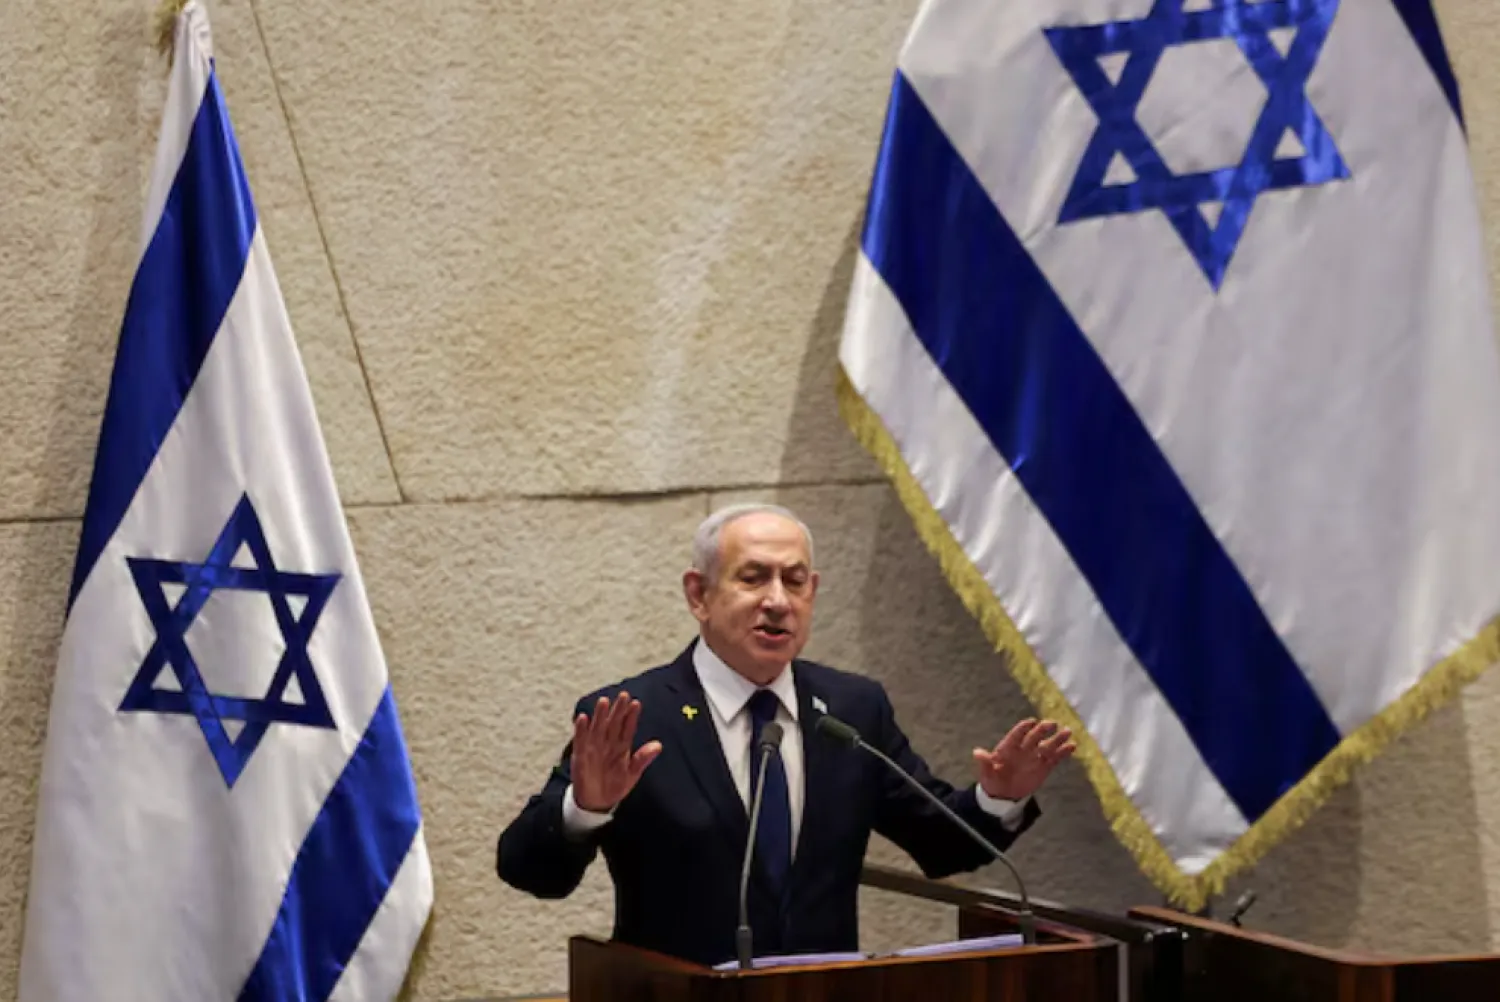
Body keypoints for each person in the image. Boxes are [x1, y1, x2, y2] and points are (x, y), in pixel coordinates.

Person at [496, 503, 1076, 967]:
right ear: (698, 595)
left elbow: (942, 843)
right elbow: (527, 870)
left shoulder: (853, 710)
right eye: (753, 578)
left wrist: (997, 798)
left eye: (794, 582)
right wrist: (585, 809)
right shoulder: (633, 717)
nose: (777, 601)